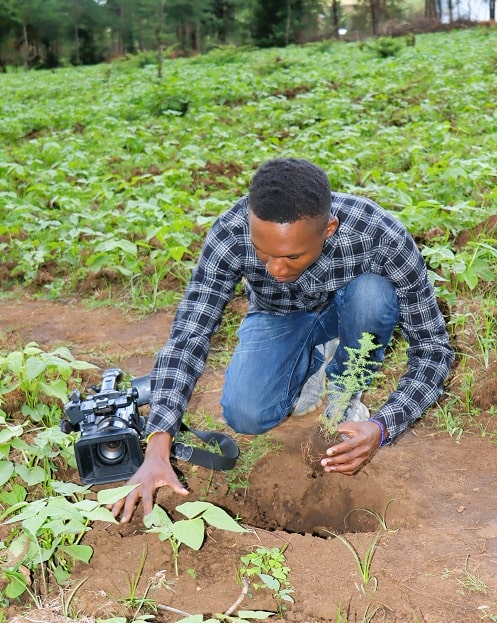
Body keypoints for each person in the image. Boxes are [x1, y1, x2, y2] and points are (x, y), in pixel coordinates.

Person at [111, 157, 454, 523]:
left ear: (329, 229)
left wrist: (383, 426)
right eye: (264, 253)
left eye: (292, 255)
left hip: (352, 309)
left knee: (371, 295)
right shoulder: (231, 233)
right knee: (247, 415)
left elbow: (433, 349)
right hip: (278, 317)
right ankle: (311, 360)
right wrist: (158, 441)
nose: (276, 269)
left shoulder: (379, 235)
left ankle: (343, 393)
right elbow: (189, 334)